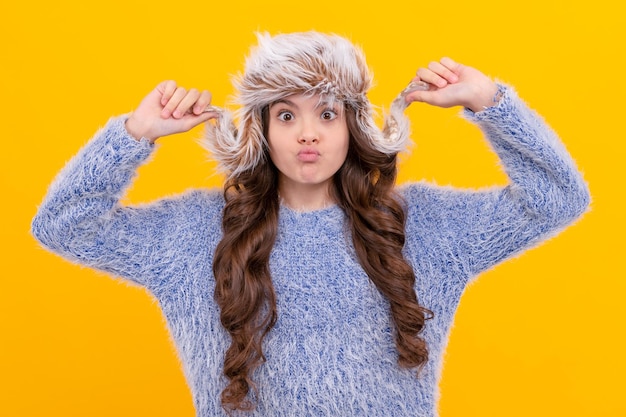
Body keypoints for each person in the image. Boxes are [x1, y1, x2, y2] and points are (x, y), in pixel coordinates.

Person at [31, 31, 590, 416]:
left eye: (327, 113)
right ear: (262, 130)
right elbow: (62, 225)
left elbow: (558, 198)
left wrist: (491, 101)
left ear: (353, 128)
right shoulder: (195, 235)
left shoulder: (423, 227)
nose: (307, 133)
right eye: (286, 114)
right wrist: (133, 134)